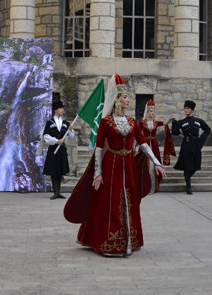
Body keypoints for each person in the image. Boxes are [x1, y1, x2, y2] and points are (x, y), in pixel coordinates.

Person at [66, 74, 166, 256]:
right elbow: (98, 148)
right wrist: (98, 173)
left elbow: (143, 143)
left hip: (128, 164)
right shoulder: (106, 122)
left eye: (127, 97)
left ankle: (130, 241)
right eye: (125, 97)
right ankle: (109, 242)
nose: (128, 100)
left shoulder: (132, 122)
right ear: (117, 100)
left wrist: (157, 163)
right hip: (111, 165)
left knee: (130, 201)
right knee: (111, 201)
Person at [170, 100, 211, 195]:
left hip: (196, 144)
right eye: (184, 108)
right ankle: (188, 186)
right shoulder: (182, 122)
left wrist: (201, 140)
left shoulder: (198, 121)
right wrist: (174, 123)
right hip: (186, 145)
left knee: (196, 165)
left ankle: (188, 179)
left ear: (192, 110)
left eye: (187, 108)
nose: (185, 110)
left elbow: (207, 129)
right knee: (187, 166)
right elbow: (175, 132)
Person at [42, 100, 74, 200]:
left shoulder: (66, 123)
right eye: (60, 108)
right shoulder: (49, 123)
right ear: (55, 110)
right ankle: (55, 192)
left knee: (60, 170)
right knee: (53, 170)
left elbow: (71, 137)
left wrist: (71, 130)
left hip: (62, 150)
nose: (62, 110)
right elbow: (46, 137)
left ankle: (58, 192)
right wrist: (56, 141)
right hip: (53, 150)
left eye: (62, 108)